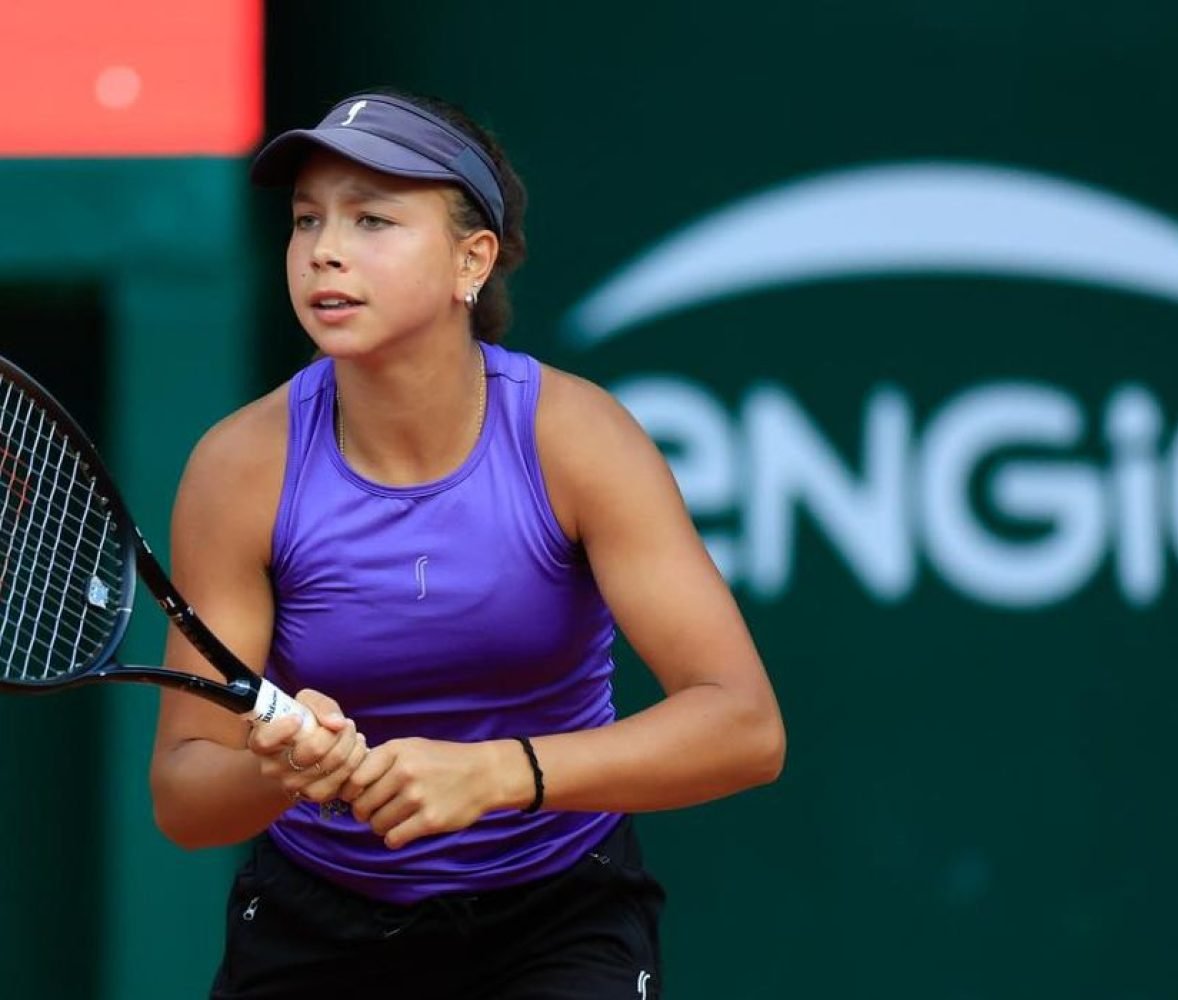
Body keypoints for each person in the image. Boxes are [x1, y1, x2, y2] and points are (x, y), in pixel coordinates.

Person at [149, 89, 786, 1000]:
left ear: (470, 260)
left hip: (557, 914)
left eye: (372, 219)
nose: (324, 248)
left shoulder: (576, 438)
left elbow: (744, 727)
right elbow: (184, 795)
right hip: (319, 921)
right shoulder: (240, 468)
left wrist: (498, 773)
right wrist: (281, 768)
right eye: (305, 220)